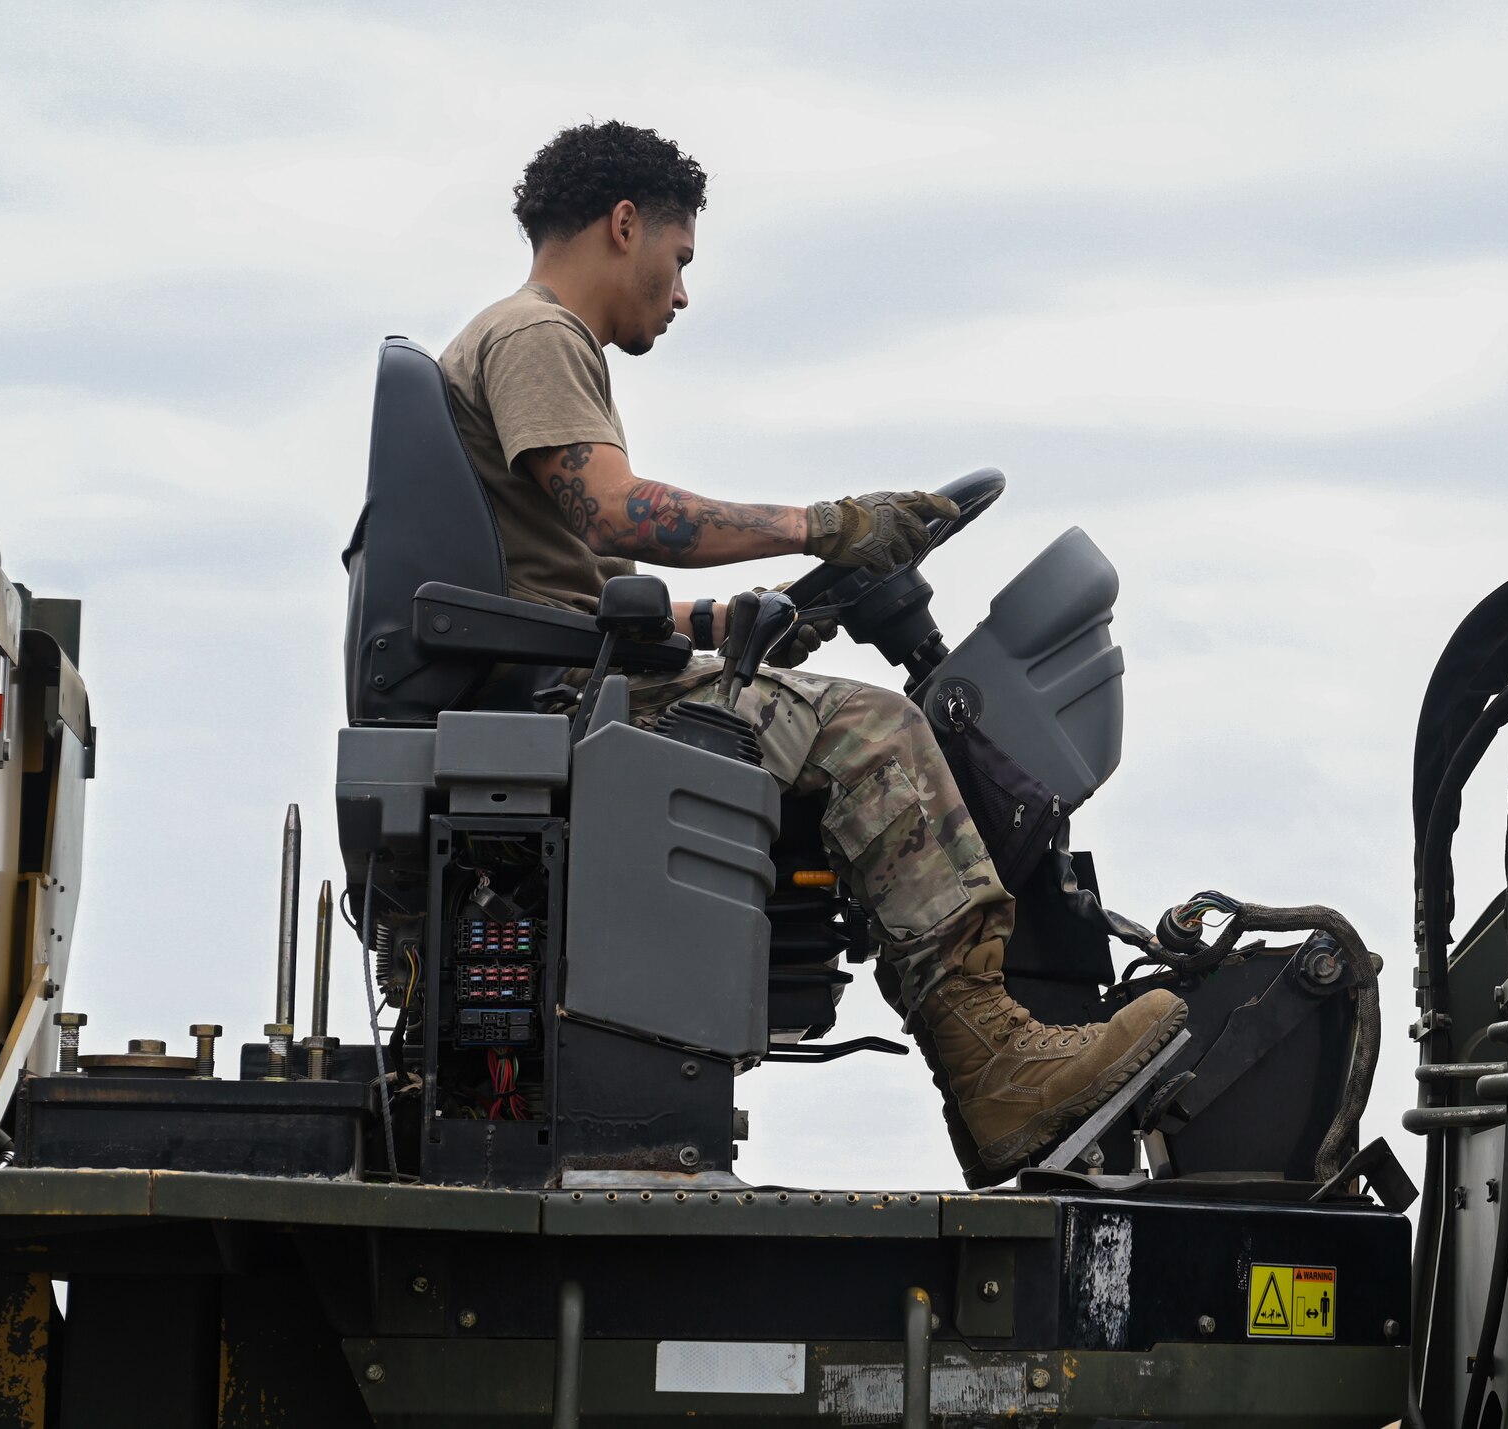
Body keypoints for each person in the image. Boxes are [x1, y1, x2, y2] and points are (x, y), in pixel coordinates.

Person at [437, 120, 1183, 1178]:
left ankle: (992, 1050)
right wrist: (823, 525)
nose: (681, 292)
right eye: (679, 258)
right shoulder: (536, 336)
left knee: (819, 699)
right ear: (622, 226)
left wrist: (754, 617)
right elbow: (613, 517)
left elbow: (577, 589)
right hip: (568, 699)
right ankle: (995, 1061)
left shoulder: (519, 342)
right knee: (876, 728)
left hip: (563, 671)